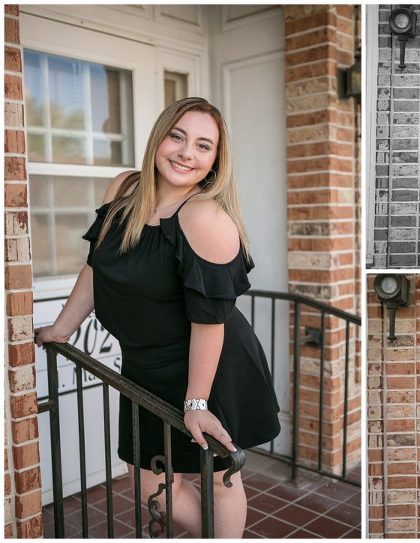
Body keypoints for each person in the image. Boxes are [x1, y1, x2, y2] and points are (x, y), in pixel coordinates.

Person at [35, 97, 280, 537]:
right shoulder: (124, 188)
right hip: (145, 366)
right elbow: (97, 265)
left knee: (220, 479)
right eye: (178, 136)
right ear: (159, 138)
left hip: (209, 367)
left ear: (214, 162)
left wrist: (196, 402)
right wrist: (61, 328)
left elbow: (210, 322)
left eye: (204, 146)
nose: (187, 153)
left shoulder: (204, 216)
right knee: (152, 483)